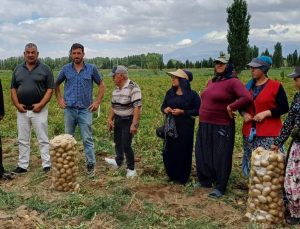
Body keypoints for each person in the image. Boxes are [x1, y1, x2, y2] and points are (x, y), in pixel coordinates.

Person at [195, 52, 252, 198]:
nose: (218, 65)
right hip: (205, 123)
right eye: (217, 63)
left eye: (222, 63)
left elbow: (247, 97)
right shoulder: (212, 81)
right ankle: (205, 181)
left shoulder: (233, 81)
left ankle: (220, 186)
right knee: (204, 152)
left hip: (222, 124)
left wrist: (231, 107)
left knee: (221, 154)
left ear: (228, 65)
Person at [55, 43, 105, 177]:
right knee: (67, 139)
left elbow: (101, 85)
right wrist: (59, 99)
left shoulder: (91, 69)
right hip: (69, 109)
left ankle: (90, 165)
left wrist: (97, 102)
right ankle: (67, 165)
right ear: (71, 54)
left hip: (85, 109)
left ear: (83, 54)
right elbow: (56, 84)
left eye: (79, 53)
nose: (76, 56)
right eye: (74, 53)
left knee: (87, 138)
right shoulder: (66, 69)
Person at [11, 43, 54, 174]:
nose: (30, 54)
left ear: (37, 54)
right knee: (22, 139)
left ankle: (46, 164)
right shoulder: (18, 69)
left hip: (39, 110)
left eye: (33, 52)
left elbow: (50, 89)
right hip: (22, 110)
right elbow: (13, 88)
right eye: (28, 52)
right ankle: (23, 165)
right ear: (24, 54)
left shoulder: (45, 69)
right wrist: (17, 104)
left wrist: (40, 105)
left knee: (43, 138)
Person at [241, 56, 289, 176]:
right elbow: (240, 105)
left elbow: (284, 107)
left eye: (255, 68)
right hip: (250, 132)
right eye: (251, 67)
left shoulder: (276, 86)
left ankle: (269, 191)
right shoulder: (248, 86)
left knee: (268, 164)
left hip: (269, 132)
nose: (252, 70)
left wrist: (267, 113)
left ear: (263, 69)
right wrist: (243, 113)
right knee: (254, 163)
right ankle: (255, 189)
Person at [160, 69, 200, 184]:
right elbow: (163, 106)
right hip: (171, 126)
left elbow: (198, 111)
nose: (172, 79)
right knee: (170, 151)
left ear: (183, 80)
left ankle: (182, 178)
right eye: (172, 77)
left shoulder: (192, 95)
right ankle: (172, 175)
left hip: (185, 128)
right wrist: (165, 109)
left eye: (175, 78)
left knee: (183, 151)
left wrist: (183, 112)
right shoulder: (170, 93)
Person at [271, 67, 300, 225]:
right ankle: (295, 212)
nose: (295, 82)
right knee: (292, 178)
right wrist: (278, 142)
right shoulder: (297, 97)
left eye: (296, 79)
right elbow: (289, 123)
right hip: (297, 146)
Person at [105, 65, 142, 178]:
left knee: (126, 144)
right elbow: (113, 106)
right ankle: (118, 161)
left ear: (120, 76)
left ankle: (131, 169)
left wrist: (134, 124)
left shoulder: (133, 87)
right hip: (118, 119)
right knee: (118, 142)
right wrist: (110, 119)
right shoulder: (116, 89)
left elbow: (137, 107)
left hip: (128, 120)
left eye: (114, 76)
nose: (112, 79)